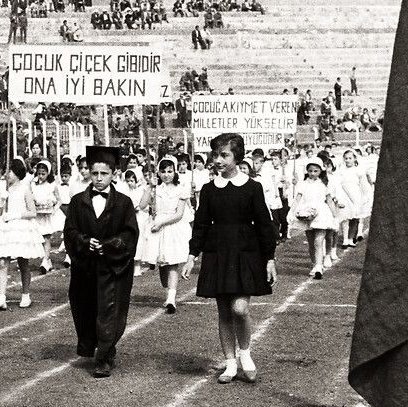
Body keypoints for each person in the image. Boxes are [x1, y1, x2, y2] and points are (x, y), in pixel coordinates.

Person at [181, 133, 277, 384]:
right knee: (224, 311)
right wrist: (192, 255)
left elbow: (265, 225)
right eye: (215, 155)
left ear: (237, 157)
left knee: (240, 309)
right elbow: (200, 224)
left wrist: (269, 259)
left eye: (224, 155)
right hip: (218, 253)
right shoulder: (209, 189)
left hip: (245, 253)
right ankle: (230, 363)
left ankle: (245, 354)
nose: (218, 160)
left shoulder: (252, 187)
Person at [63, 146, 138, 376]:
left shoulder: (124, 203)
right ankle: (93, 346)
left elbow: (129, 234)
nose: (98, 179)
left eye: (103, 174)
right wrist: (86, 243)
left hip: (112, 267)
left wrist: (108, 245)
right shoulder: (77, 201)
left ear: (113, 174)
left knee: (110, 310)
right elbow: (70, 231)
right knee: (86, 307)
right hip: (85, 266)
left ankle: (104, 355)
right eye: (94, 173)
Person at [0, 157, 43, 310]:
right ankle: (2, 297)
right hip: (6, 228)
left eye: (9, 171)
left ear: (17, 173)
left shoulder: (25, 188)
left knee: (23, 263)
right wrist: (0, 202)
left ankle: (26, 295)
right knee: (3, 262)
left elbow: (32, 212)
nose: (6, 175)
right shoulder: (2, 190)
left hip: (20, 228)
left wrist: (16, 215)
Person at [146, 157, 192, 314]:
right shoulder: (156, 189)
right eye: (163, 171)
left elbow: (179, 214)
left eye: (170, 171)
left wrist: (162, 223)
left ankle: (171, 299)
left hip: (173, 226)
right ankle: (168, 291)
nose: (166, 175)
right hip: (157, 227)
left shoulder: (181, 189)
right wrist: (149, 187)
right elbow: (142, 204)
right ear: (158, 173)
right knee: (162, 264)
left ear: (175, 172)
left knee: (172, 263)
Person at [291, 157, 336, 279]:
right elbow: (297, 200)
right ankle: (314, 264)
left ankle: (319, 267)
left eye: (315, 171)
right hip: (307, 213)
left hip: (321, 213)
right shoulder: (303, 184)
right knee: (311, 242)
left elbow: (329, 201)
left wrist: (334, 215)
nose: (312, 173)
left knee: (318, 240)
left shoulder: (324, 184)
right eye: (310, 171)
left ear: (320, 171)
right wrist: (291, 212)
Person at [30, 159, 63, 273]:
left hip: (48, 215)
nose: (41, 176)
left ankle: (46, 259)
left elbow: (59, 201)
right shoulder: (33, 184)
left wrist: (54, 209)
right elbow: (31, 198)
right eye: (39, 173)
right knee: (39, 239)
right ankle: (46, 259)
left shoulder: (52, 185)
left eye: (43, 174)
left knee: (46, 237)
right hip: (38, 214)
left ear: (48, 173)